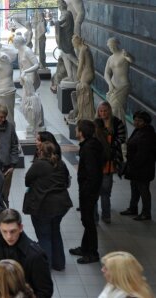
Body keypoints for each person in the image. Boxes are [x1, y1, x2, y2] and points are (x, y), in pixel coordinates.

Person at [23, 141, 72, 271]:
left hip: (43, 205)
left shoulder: (39, 165)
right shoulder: (61, 163)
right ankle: (59, 264)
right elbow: (67, 181)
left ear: (41, 152)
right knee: (55, 232)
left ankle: (45, 266)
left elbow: (27, 181)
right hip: (62, 204)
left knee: (44, 235)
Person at [0, 209, 53, 298]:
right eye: (4, 231)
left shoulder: (36, 256)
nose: (9, 237)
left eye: (13, 231)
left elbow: (45, 291)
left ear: (20, 228)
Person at [69, 119, 104, 264]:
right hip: (90, 190)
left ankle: (93, 253)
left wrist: (85, 190)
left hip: (88, 191)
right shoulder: (91, 144)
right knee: (87, 219)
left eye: (77, 129)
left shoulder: (88, 149)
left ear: (81, 132)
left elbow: (92, 173)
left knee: (88, 221)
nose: (75, 131)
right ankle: (85, 247)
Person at [93, 101, 126, 223]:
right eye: (101, 111)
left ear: (109, 110)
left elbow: (122, 138)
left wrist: (109, 145)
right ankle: (95, 217)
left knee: (106, 191)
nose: (103, 113)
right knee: (96, 192)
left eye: (105, 111)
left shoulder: (117, 122)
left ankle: (106, 216)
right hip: (97, 163)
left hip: (110, 162)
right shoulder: (96, 123)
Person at [120, 111, 156, 221]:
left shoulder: (148, 134)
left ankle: (146, 213)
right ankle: (133, 208)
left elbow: (142, 154)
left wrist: (133, 164)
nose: (136, 122)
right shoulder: (138, 130)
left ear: (146, 122)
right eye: (135, 120)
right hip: (135, 167)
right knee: (134, 188)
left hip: (143, 168)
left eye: (139, 121)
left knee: (143, 190)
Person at [104, 37, 133, 125]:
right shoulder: (110, 58)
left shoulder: (123, 53)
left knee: (116, 108)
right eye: (109, 46)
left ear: (117, 44)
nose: (111, 48)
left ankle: (120, 131)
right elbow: (106, 73)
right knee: (111, 110)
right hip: (113, 87)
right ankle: (112, 130)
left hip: (123, 86)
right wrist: (109, 84)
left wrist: (127, 56)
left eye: (113, 46)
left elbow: (131, 60)